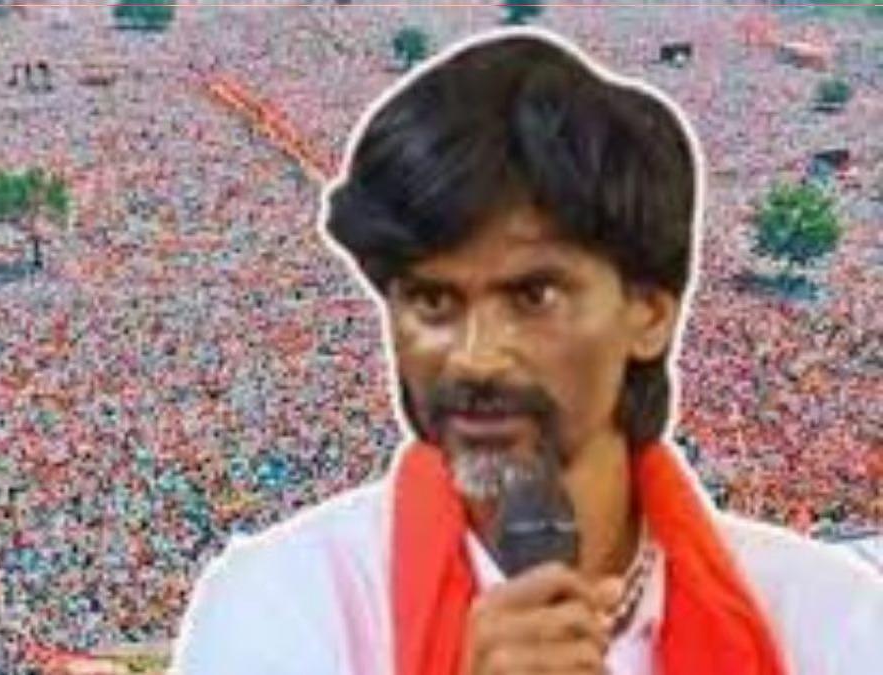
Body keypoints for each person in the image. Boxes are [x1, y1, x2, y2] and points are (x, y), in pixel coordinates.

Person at [171, 27, 883, 675]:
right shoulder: (285, 604)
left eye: (533, 295)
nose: (475, 357)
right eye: (433, 301)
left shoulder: (829, 623)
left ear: (649, 312)